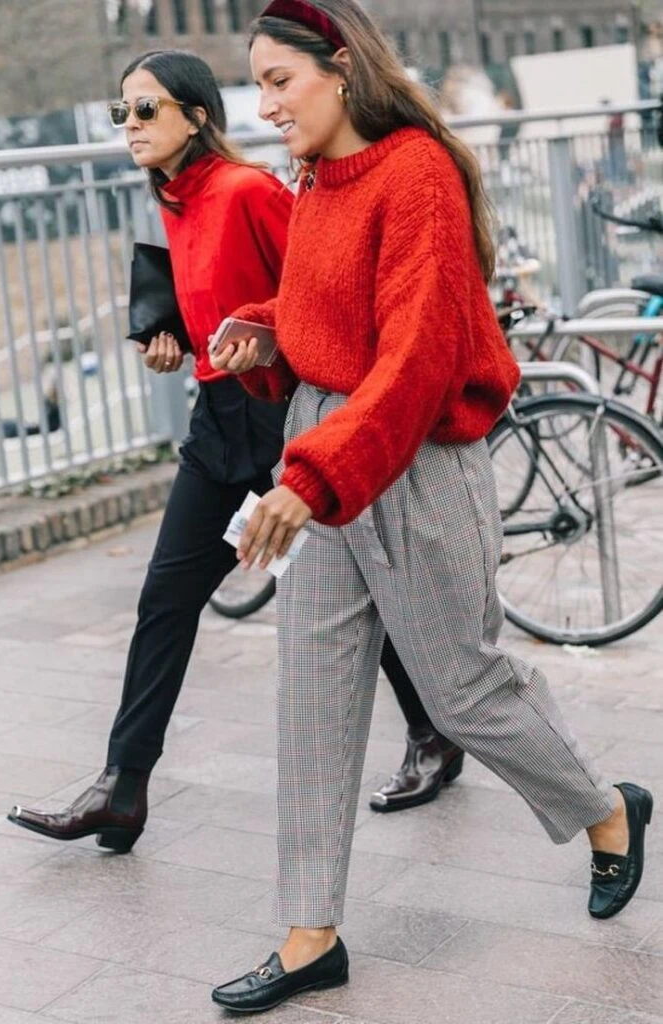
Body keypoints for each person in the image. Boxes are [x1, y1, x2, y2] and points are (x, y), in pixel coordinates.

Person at [208, 0, 654, 1012]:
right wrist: (266, 331)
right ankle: (308, 931)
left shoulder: (415, 174)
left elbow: (412, 357)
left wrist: (312, 474)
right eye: (259, 84)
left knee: (460, 688)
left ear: (338, 68)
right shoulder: (321, 177)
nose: (265, 104)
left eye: (278, 81)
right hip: (324, 443)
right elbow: (334, 311)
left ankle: (604, 811)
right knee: (311, 693)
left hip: (405, 455)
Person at [7, 48, 460, 852]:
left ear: (197, 116)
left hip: (288, 418)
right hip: (220, 422)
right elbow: (219, 304)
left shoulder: (248, 190)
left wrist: (270, 348)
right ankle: (123, 787)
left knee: (362, 593)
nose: (131, 127)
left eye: (146, 109)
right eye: (123, 113)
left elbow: (321, 287)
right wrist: (178, 339)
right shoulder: (174, 200)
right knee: (166, 598)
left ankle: (434, 732)